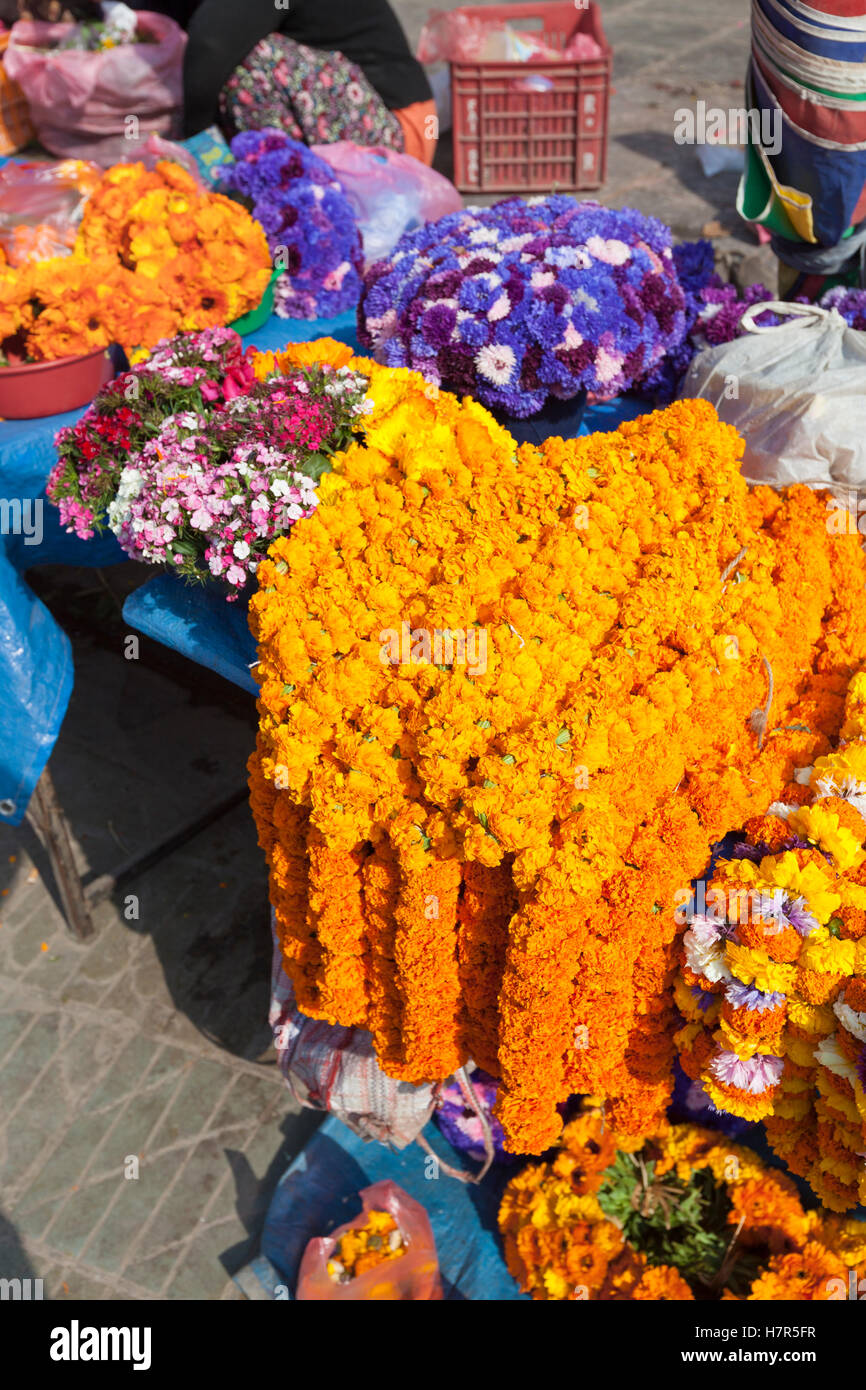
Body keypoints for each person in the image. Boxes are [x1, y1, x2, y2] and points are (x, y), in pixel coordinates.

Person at [133, 0, 437, 165]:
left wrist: (193, 144)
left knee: (252, 59)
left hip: (395, 134)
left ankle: (285, 189)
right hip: (350, 115)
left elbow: (212, 41)